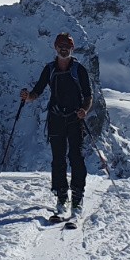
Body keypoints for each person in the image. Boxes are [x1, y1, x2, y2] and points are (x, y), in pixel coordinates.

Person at [21, 32, 94, 219]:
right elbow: (38, 90)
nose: (64, 49)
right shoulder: (50, 69)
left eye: (67, 46)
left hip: (74, 119)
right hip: (56, 119)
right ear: (55, 47)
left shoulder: (80, 70)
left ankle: (77, 197)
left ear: (72, 48)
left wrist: (84, 110)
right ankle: (62, 197)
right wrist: (28, 97)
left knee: (76, 157)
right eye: (61, 45)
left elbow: (88, 96)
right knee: (58, 159)